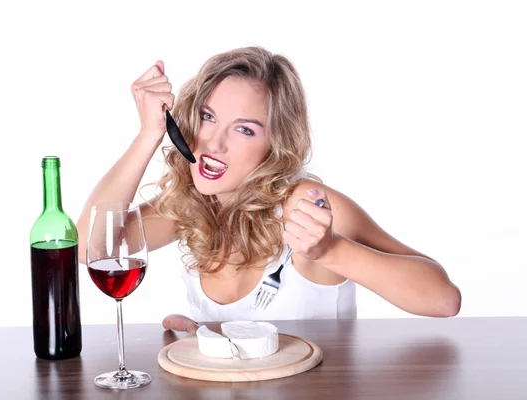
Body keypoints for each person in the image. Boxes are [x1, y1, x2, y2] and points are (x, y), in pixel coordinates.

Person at [76, 46, 461, 335]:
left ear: (275, 143)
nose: (215, 142)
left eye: (245, 129)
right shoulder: (193, 206)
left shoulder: (305, 206)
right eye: (208, 117)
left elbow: (443, 299)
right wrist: (148, 136)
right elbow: (88, 249)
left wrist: (331, 250)